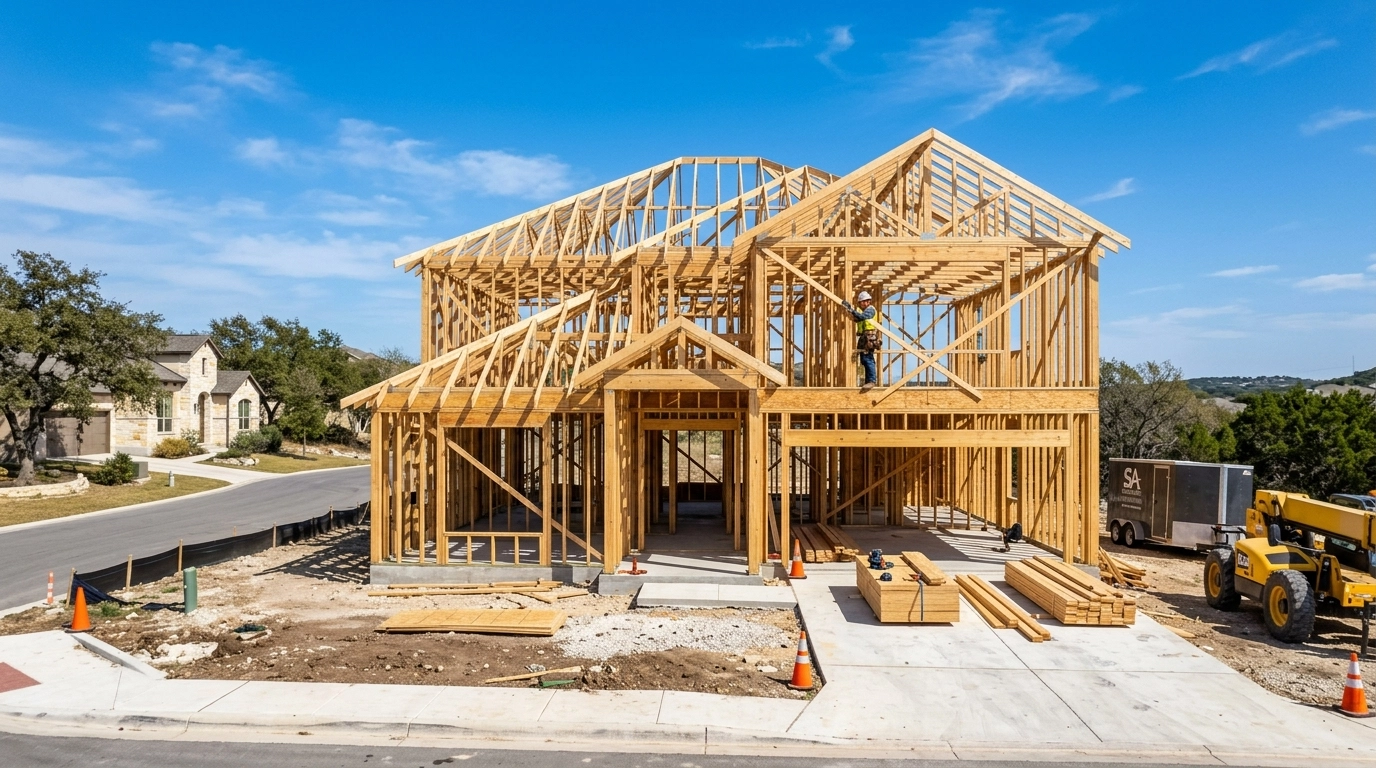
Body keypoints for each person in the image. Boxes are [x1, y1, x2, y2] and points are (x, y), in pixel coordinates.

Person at [842, 290, 879, 391]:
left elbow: (862, 317)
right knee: (863, 359)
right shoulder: (863, 311)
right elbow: (857, 319)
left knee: (868, 358)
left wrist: (851, 309)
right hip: (864, 337)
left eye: (862, 302)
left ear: (868, 302)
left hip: (870, 337)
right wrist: (849, 311)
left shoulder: (870, 310)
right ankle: (867, 381)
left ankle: (871, 381)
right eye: (860, 302)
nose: (861, 304)